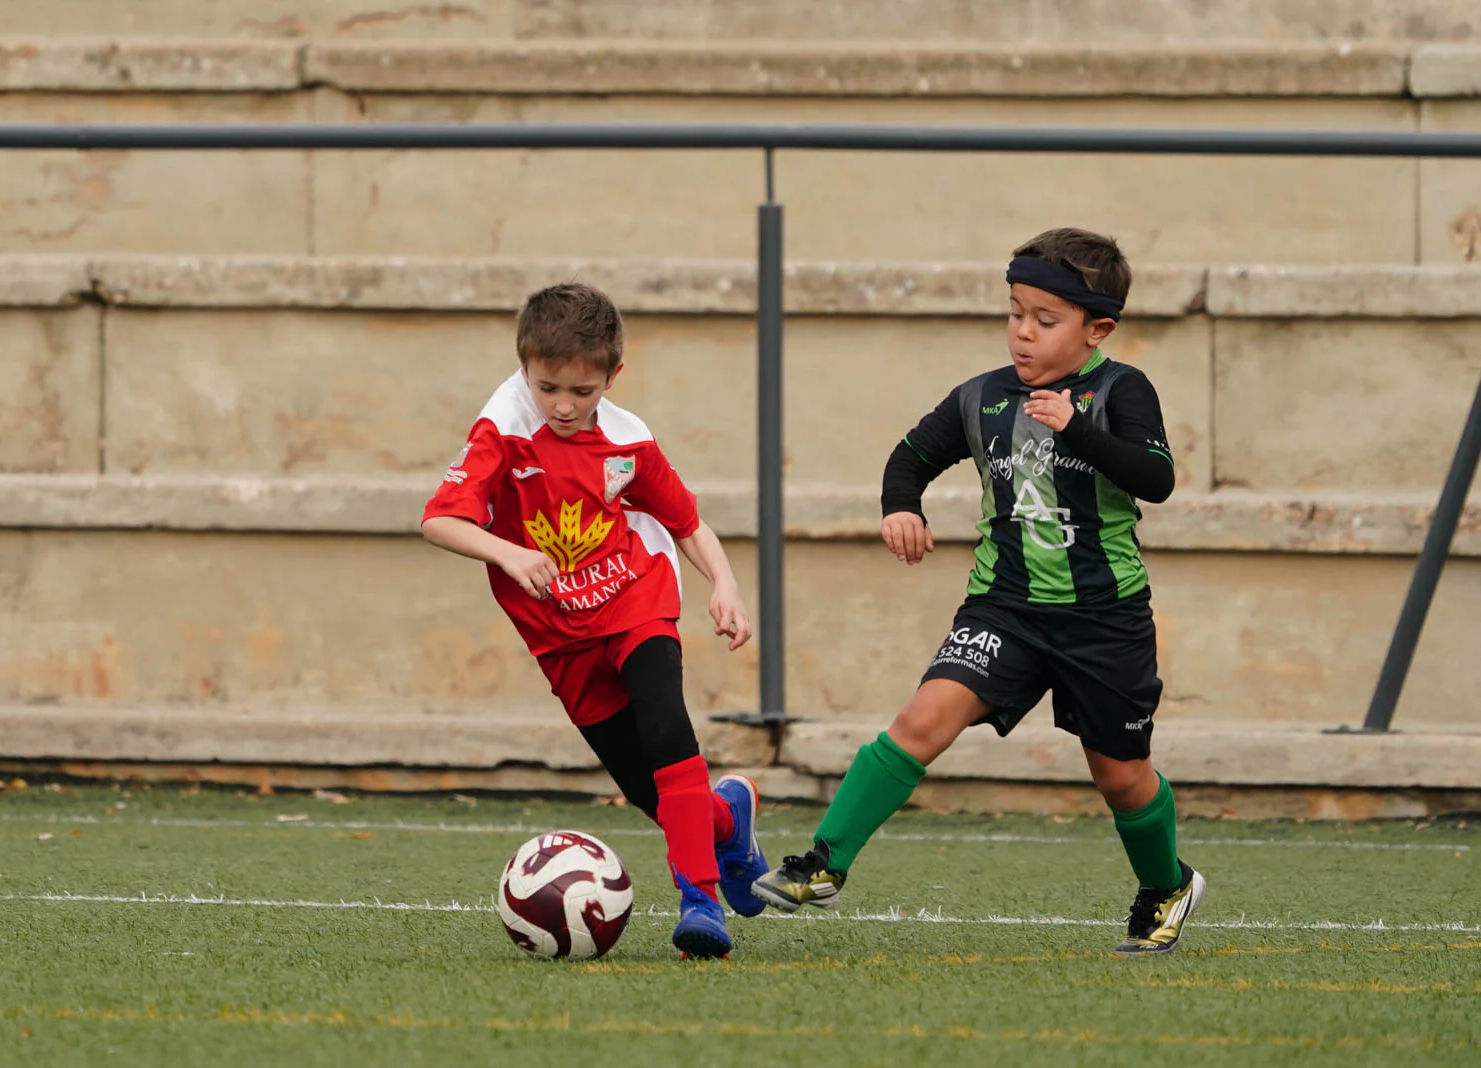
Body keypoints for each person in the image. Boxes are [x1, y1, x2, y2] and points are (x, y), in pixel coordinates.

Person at [752, 228, 1205, 955]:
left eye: (1045, 320)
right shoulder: (983, 397)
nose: (1023, 333)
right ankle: (824, 863)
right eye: (1015, 313)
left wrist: (1081, 431)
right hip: (1004, 607)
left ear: (1098, 329)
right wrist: (902, 506)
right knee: (921, 720)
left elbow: (1157, 479)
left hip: (1104, 618)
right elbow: (912, 455)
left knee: (1121, 779)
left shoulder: (1123, 391)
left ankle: (1166, 886)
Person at [422, 282, 768, 959]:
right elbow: (438, 519)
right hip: (559, 635)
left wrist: (723, 584)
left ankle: (701, 901)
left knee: (667, 725)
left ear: (614, 374)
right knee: (646, 787)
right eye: (548, 386)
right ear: (525, 365)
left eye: (583, 392)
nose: (563, 405)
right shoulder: (503, 428)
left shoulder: (626, 439)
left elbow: (686, 522)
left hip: (634, 594)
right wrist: (507, 551)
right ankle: (729, 819)